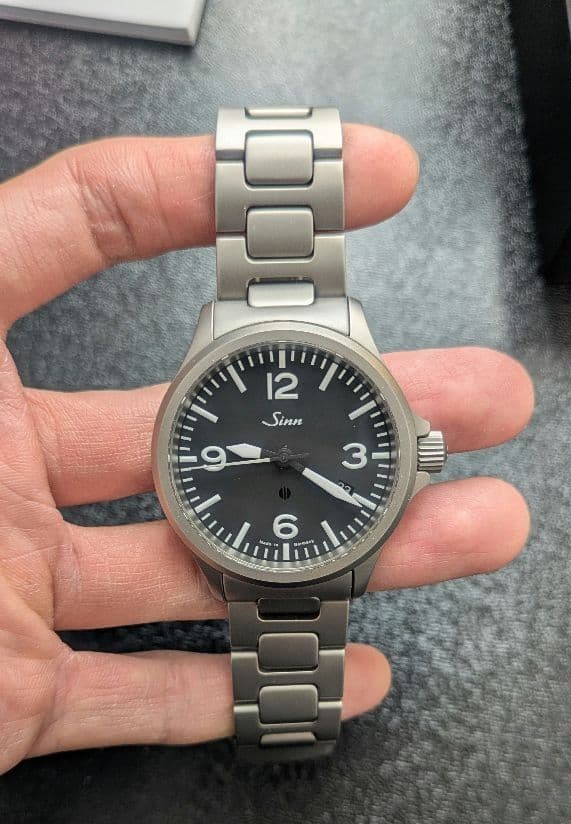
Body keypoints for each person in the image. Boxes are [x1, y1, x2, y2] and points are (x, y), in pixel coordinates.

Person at [0, 124, 534, 774]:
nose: (283, 461)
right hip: (250, 545)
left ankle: (287, 731)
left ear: (416, 451)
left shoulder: (341, 363)